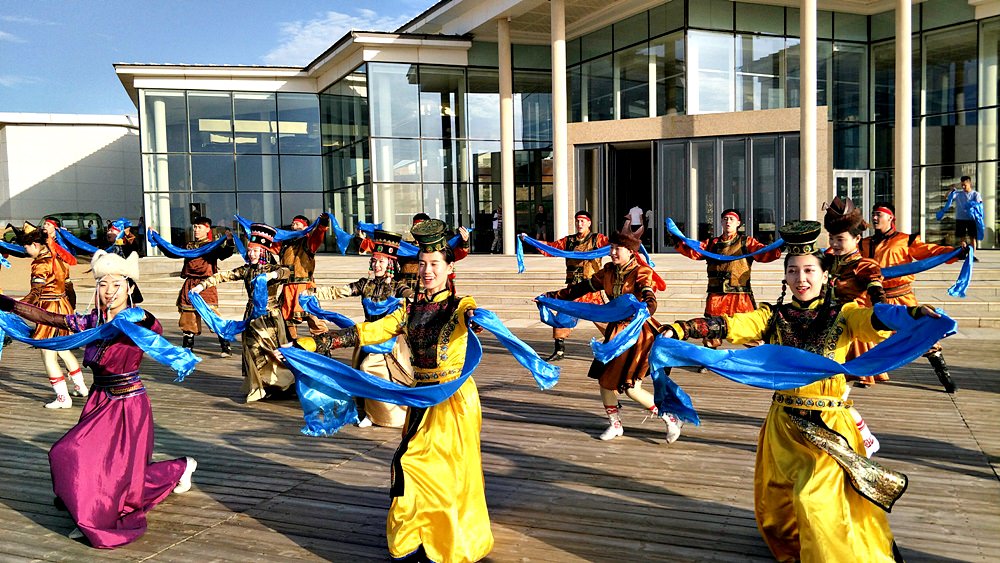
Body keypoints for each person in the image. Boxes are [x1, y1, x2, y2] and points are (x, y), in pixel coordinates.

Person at [661, 220, 931, 561]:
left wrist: (911, 315)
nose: (801, 279)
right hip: (783, 426)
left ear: (824, 276)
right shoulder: (774, 315)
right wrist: (680, 328)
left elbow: (875, 323)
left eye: (808, 271)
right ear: (785, 277)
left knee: (813, 499)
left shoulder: (844, 314)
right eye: (792, 271)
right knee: (778, 504)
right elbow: (733, 325)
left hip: (829, 426)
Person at [295, 219, 493, 562]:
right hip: (418, 398)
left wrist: (476, 318)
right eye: (423, 264)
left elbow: (471, 315)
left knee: (435, 469)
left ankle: (446, 542)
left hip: (453, 401)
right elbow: (364, 332)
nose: (427, 271)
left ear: (449, 268)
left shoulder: (459, 306)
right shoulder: (408, 308)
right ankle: (418, 536)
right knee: (412, 466)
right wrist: (312, 343)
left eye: (435, 264)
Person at [0, 250, 197, 549]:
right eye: (102, 283)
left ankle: (99, 514)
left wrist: (137, 316)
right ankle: (93, 508)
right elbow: (50, 318)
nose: (108, 290)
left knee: (81, 457)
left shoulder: (140, 322)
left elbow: (152, 329)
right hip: (99, 400)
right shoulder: (92, 321)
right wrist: (9, 304)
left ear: (130, 287)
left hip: (128, 405)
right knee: (99, 466)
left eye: (116, 283)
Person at [545, 220, 682, 443]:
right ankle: (615, 424)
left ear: (631, 252)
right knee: (604, 382)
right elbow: (580, 289)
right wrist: (552, 297)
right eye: (611, 248)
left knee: (632, 388)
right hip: (615, 333)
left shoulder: (640, 271)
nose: (612, 252)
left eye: (617, 249)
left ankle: (670, 418)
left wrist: (647, 305)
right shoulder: (607, 271)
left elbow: (648, 293)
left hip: (638, 334)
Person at [313, 229, 414, 428]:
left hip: (389, 339)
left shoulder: (397, 287)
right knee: (362, 371)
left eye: (381, 261)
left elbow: (412, 298)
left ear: (391, 264)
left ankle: (385, 414)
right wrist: (314, 293)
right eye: (374, 261)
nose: (377, 265)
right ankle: (369, 412)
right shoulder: (364, 284)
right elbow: (338, 291)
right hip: (366, 336)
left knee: (371, 369)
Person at [860, 202, 965, 393]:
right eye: (873, 214)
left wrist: (955, 252)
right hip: (876, 298)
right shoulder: (863, 243)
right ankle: (863, 375)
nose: (875, 218)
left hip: (902, 296)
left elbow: (930, 251)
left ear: (891, 218)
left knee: (924, 336)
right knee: (864, 334)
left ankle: (945, 378)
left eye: (879, 214)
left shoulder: (905, 240)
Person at [193, 223, 293, 402]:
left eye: (254, 251)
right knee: (251, 349)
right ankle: (260, 385)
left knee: (272, 351)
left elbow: (285, 271)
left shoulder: (272, 269)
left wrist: (271, 276)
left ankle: (282, 384)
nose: (250, 254)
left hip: (270, 317)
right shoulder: (247, 270)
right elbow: (223, 275)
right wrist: (201, 285)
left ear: (263, 252)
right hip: (251, 316)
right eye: (249, 251)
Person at [674, 209, 781, 350]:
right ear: (721, 223)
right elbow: (695, 250)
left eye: (731, 219)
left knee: (747, 327)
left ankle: (758, 359)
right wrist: (678, 240)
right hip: (716, 295)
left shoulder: (746, 242)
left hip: (740, 295)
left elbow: (763, 253)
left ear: (738, 223)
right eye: (725, 219)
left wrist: (778, 247)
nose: (728, 221)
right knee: (711, 328)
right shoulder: (712, 244)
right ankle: (709, 360)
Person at [12, 223, 85, 408]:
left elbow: (35, 294)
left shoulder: (39, 264)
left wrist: (13, 305)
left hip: (49, 309)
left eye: (26, 247)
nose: (25, 250)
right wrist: (72, 310)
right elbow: (69, 287)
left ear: (35, 245)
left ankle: (63, 398)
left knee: (47, 353)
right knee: (63, 348)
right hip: (64, 306)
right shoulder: (58, 257)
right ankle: (81, 387)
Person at [823, 198, 886, 387]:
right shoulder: (827, 260)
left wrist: (880, 308)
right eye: (831, 238)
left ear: (857, 239)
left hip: (850, 327)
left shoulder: (864, 265)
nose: (834, 243)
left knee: (837, 383)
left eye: (840, 239)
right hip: (824, 323)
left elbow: (875, 287)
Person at [540, 210, 609, 361]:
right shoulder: (569, 241)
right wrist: (532, 241)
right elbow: (552, 248)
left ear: (589, 223)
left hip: (592, 288)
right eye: (577, 221)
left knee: (605, 319)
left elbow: (612, 245)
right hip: (573, 289)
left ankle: (617, 346)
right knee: (562, 317)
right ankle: (559, 351)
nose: (580, 224)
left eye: (583, 221)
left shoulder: (597, 239)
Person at [175, 217, 236, 357]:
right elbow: (172, 252)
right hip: (190, 283)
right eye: (195, 227)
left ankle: (225, 346)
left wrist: (229, 241)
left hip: (206, 284)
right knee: (188, 316)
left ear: (208, 229)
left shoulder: (212, 246)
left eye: (199, 227)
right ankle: (188, 347)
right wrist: (157, 239)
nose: (196, 230)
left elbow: (225, 254)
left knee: (212, 315)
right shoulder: (189, 246)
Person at [279, 213, 330, 340]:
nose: (293, 226)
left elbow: (318, 236)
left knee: (314, 318)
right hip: (288, 287)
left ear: (305, 227)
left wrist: (322, 225)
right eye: (293, 224)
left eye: (297, 224)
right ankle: (293, 347)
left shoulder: (308, 242)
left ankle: (324, 345)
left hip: (304, 286)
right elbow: (268, 242)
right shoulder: (285, 244)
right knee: (287, 320)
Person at [397, 213, 470, 292]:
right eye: (415, 226)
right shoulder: (405, 247)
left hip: (432, 289)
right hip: (408, 288)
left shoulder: (439, 247)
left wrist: (464, 242)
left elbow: (457, 254)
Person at [948, 176, 982, 253]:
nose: (963, 187)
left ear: (969, 183)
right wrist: (951, 190)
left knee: (972, 237)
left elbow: (979, 205)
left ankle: (972, 255)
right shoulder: (958, 194)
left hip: (971, 219)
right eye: (962, 185)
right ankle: (963, 253)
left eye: (965, 185)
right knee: (962, 238)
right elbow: (947, 197)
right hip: (960, 219)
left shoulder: (975, 194)